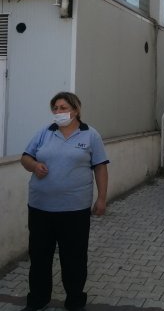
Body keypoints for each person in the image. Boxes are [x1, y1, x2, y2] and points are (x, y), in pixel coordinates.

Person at [20, 91, 109, 311]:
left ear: (76, 110)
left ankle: (75, 300)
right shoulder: (45, 132)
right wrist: (34, 165)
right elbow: (25, 157)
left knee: (74, 258)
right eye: (55, 108)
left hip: (74, 210)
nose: (58, 112)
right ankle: (38, 299)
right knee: (39, 257)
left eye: (63, 108)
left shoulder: (90, 135)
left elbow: (100, 167)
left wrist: (102, 198)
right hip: (40, 208)